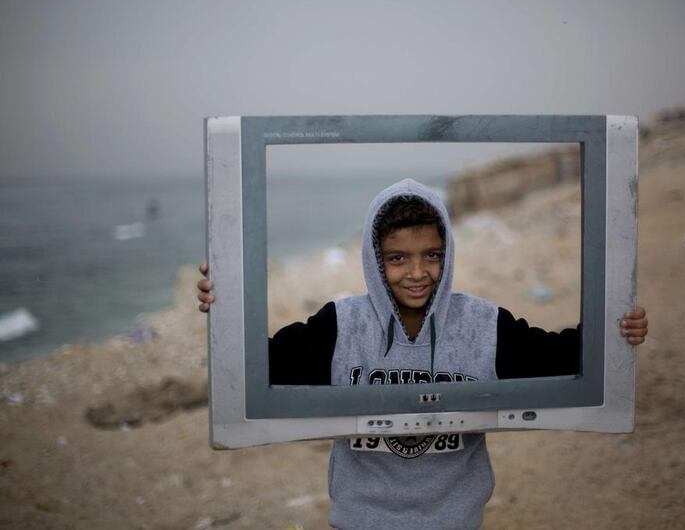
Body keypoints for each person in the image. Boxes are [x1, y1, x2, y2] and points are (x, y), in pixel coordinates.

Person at [197, 179, 648, 529]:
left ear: (447, 254)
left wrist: (616, 329)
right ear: (376, 260)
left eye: (431, 255)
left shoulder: (483, 326)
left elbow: (566, 357)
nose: (417, 273)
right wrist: (222, 307)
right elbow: (251, 368)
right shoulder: (340, 326)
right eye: (398, 259)